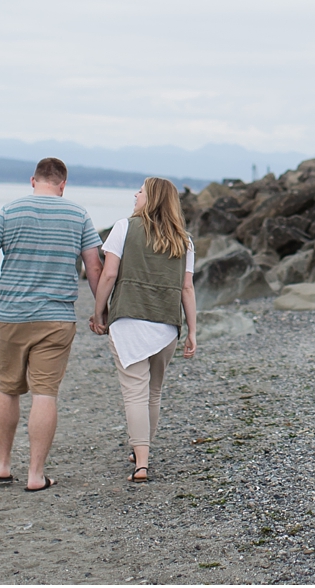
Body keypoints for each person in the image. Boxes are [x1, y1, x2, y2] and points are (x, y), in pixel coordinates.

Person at [0, 157, 104, 492]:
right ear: (63, 185)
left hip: (12, 315)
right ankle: (37, 475)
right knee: (45, 393)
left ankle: (3, 466)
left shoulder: (9, 210)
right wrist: (100, 311)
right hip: (56, 318)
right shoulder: (78, 214)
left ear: (33, 181)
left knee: (8, 388)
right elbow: (94, 268)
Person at [90, 176, 197, 483]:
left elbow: (109, 275)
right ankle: (142, 451)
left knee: (134, 393)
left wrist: (99, 312)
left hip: (129, 320)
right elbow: (186, 288)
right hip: (166, 324)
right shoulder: (183, 239)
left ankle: (141, 463)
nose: (135, 194)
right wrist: (192, 330)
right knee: (153, 393)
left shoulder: (124, 227)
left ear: (151, 198)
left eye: (140, 191)